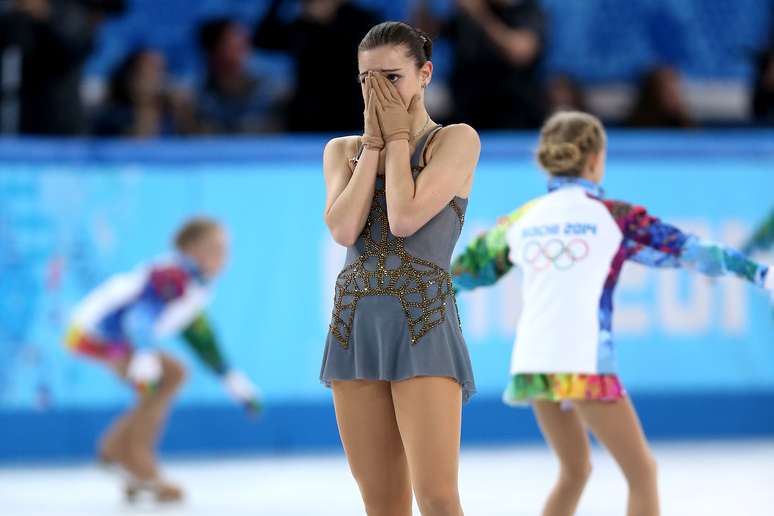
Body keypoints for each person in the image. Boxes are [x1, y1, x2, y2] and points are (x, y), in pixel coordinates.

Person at [451, 111, 772, 516]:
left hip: (534, 362)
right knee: (641, 472)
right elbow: (694, 252)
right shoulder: (615, 218)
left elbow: (461, 274)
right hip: (583, 361)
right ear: (595, 159)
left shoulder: (521, 219)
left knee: (574, 471)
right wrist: (759, 272)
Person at [320, 21, 480, 516]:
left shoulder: (454, 140)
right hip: (354, 326)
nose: (378, 92)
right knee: (383, 503)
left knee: (436, 497)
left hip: (423, 323)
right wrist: (373, 144)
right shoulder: (342, 150)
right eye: (367, 80)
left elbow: (405, 218)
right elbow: (344, 230)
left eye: (391, 78)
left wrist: (395, 140)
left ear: (425, 73)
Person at [65, 217, 260, 503]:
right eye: (216, 248)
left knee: (170, 376)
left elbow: (199, 336)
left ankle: (119, 451)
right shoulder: (173, 276)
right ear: (193, 249)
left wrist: (230, 377)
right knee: (167, 377)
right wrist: (143, 355)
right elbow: (139, 316)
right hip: (98, 333)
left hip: (111, 335)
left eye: (226, 249)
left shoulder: (195, 284)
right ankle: (135, 460)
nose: (224, 257)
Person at [0, 0, 125, 135]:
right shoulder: (16, 13)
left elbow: (76, 46)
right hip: (17, 115)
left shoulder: (71, 11)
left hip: (63, 124)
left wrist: (45, 12)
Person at [253, 0, 380, 132]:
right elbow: (262, 39)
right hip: (306, 116)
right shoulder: (298, 23)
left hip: (351, 113)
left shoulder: (363, 20)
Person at [416, 0, 547, 129]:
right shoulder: (466, 12)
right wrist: (424, 4)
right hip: (467, 112)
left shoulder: (526, 9)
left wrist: (480, 14)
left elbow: (520, 52)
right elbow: (427, 34)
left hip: (514, 114)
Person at [196, 18, 282, 133]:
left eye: (244, 41)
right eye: (232, 42)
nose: (242, 47)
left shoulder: (271, 92)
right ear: (212, 49)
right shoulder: (195, 97)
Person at [93, 49, 181, 137]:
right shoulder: (112, 120)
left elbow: (191, 144)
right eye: (146, 73)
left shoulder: (175, 117)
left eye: (160, 71)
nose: (155, 80)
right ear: (132, 80)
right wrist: (144, 111)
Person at [624, 66, 695, 128]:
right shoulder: (634, 126)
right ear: (652, 94)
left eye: (676, 93)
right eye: (669, 93)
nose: (675, 98)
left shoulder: (681, 124)